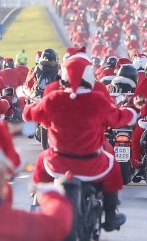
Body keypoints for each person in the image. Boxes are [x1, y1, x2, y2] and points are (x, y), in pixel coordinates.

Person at [23, 54, 137, 231]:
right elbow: (119, 117)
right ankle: (111, 213)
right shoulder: (98, 100)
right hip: (91, 163)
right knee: (113, 165)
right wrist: (132, 113)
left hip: (58, 162)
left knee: (41, 162)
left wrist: (29, 106)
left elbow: (30, 115)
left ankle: (37, 207)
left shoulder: (53, 98)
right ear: (90, 75)